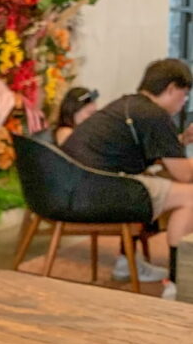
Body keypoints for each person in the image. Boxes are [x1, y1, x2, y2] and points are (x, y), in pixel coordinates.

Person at [62, 58, 193, 297]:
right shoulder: (155, 115)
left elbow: (150, 156)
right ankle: (178, 282)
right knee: (189, 197)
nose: (184, 103)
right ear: (172, 88)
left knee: (156, 184)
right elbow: (183, 174)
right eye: (184, 95)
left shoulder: (129, 105)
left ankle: (126, 262)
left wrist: (180, 142)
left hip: (69, 188)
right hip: (94, 194)